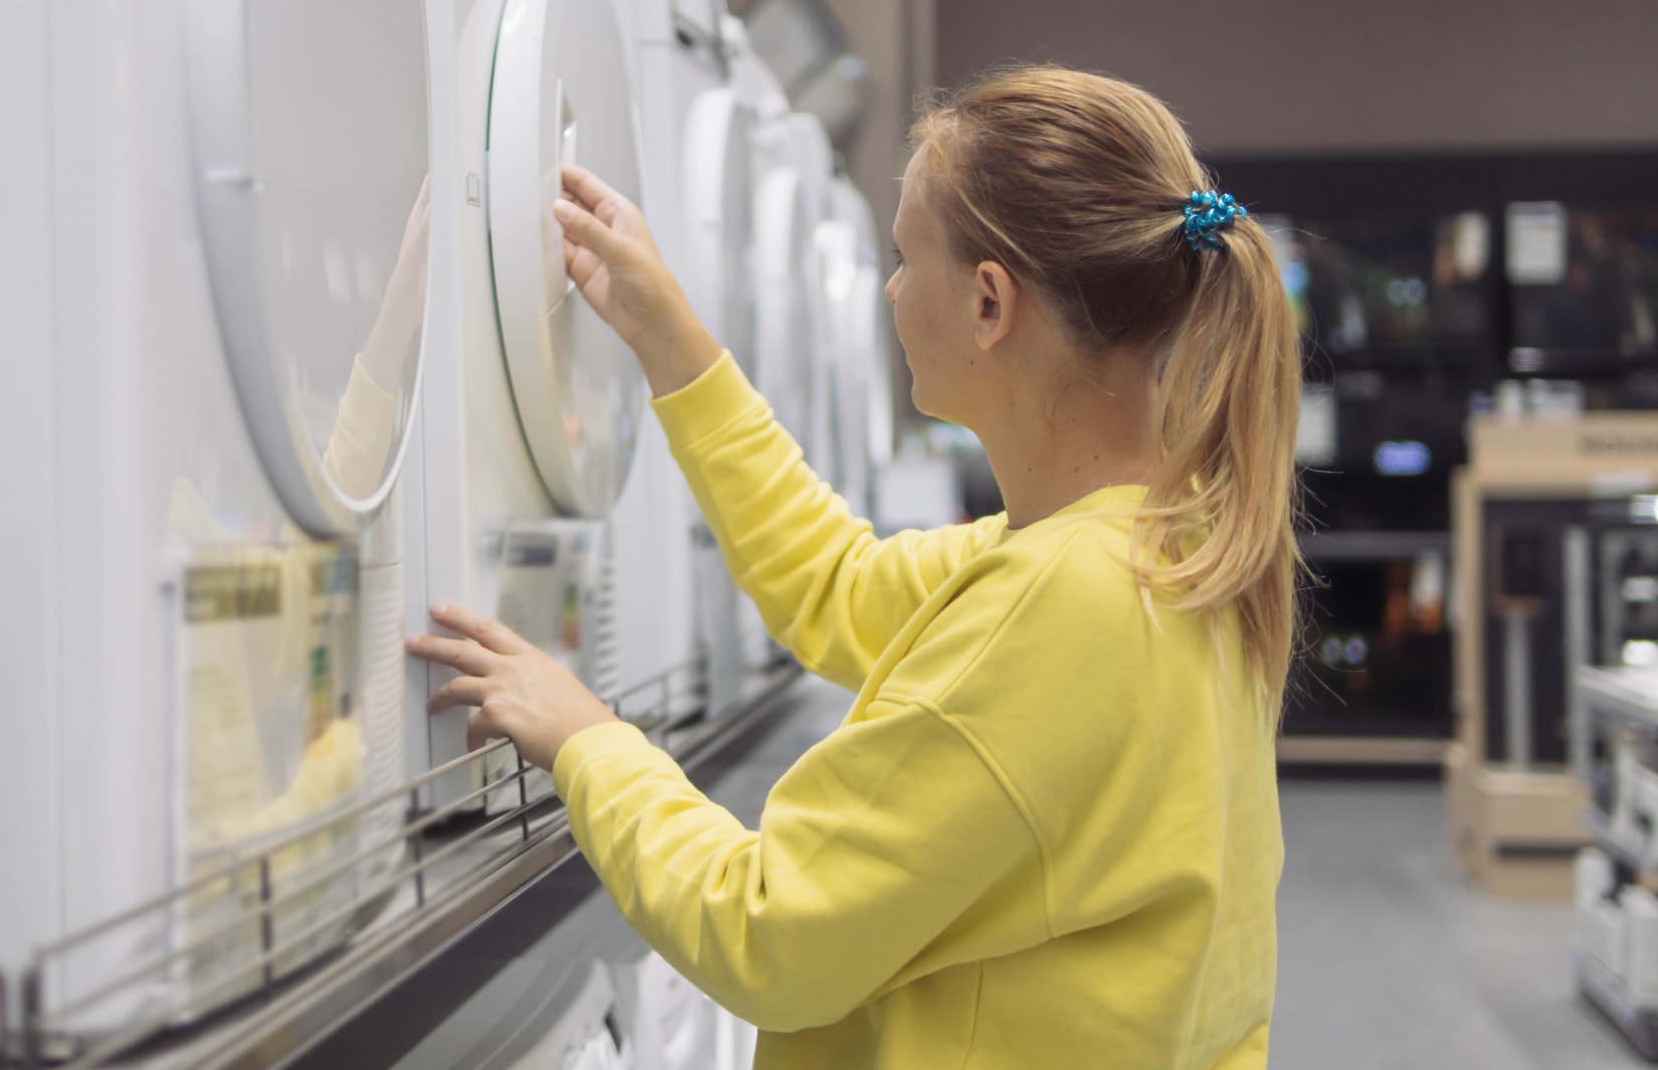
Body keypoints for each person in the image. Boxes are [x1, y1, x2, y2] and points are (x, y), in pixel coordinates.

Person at [408, 66, 1299, 1068]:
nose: (887, 289)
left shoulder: (1062, 603)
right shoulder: (1165, 548)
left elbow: (766, 931)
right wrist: (672, 342)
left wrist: (588, 741)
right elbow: (833, 585)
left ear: (988, 303)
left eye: (901, 255)